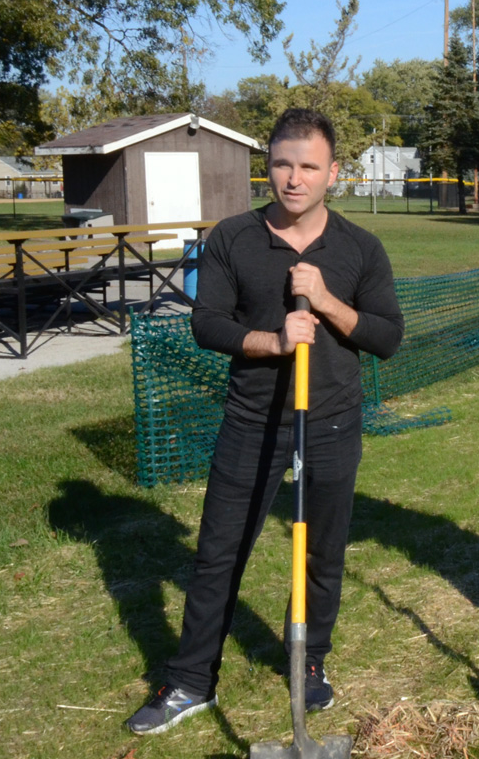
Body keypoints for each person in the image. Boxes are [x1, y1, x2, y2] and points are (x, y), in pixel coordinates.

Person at [127, 108, 404, 734]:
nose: (294, 178)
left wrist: (328, 300)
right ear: (268, 168)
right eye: (282, 164)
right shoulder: (232, 238)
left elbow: (387, 336)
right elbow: (207, 324)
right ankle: (192, 680)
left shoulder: (360, 249)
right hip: (252, 422)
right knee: (219, 554)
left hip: (331, 422)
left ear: (333, 173)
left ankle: (308, 665)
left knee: (322, 555)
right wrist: (275, 342)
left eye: (309, 166)